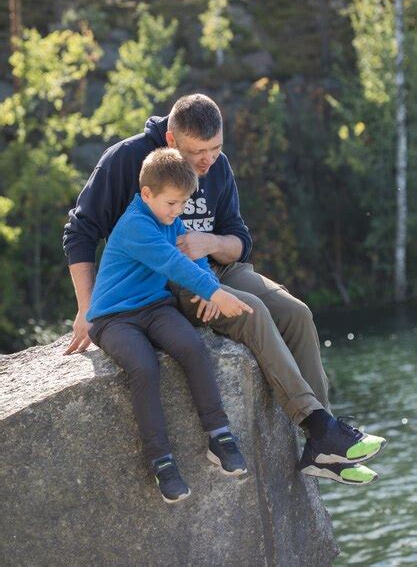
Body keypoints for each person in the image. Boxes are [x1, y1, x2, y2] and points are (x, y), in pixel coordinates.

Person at [64, 93, 386, 486]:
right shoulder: (126, 160)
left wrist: (209, 244)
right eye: (197, 152)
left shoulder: (219, 166)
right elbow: (80, 232)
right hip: (164, 281)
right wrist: (87, 307)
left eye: (215, 149)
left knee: (297, 313)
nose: (208, 161)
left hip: (217, 265)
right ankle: (318, 424)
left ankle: (324, 444)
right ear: (170, 139)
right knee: (251, 311)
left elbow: (239, 240)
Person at [87, 148, 252, 503]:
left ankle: (219, 434)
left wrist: (208, 284)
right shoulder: (135, 225)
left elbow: (192, 257)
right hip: (113, 317)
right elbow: (171, 263)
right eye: (172, 204)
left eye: (182, 204)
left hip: (154, 306)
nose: (177, 213)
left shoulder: (170, 220)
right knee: (143, 365)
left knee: (191, 346)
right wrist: (215, 291)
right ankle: (161, 459)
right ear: (147, 194)